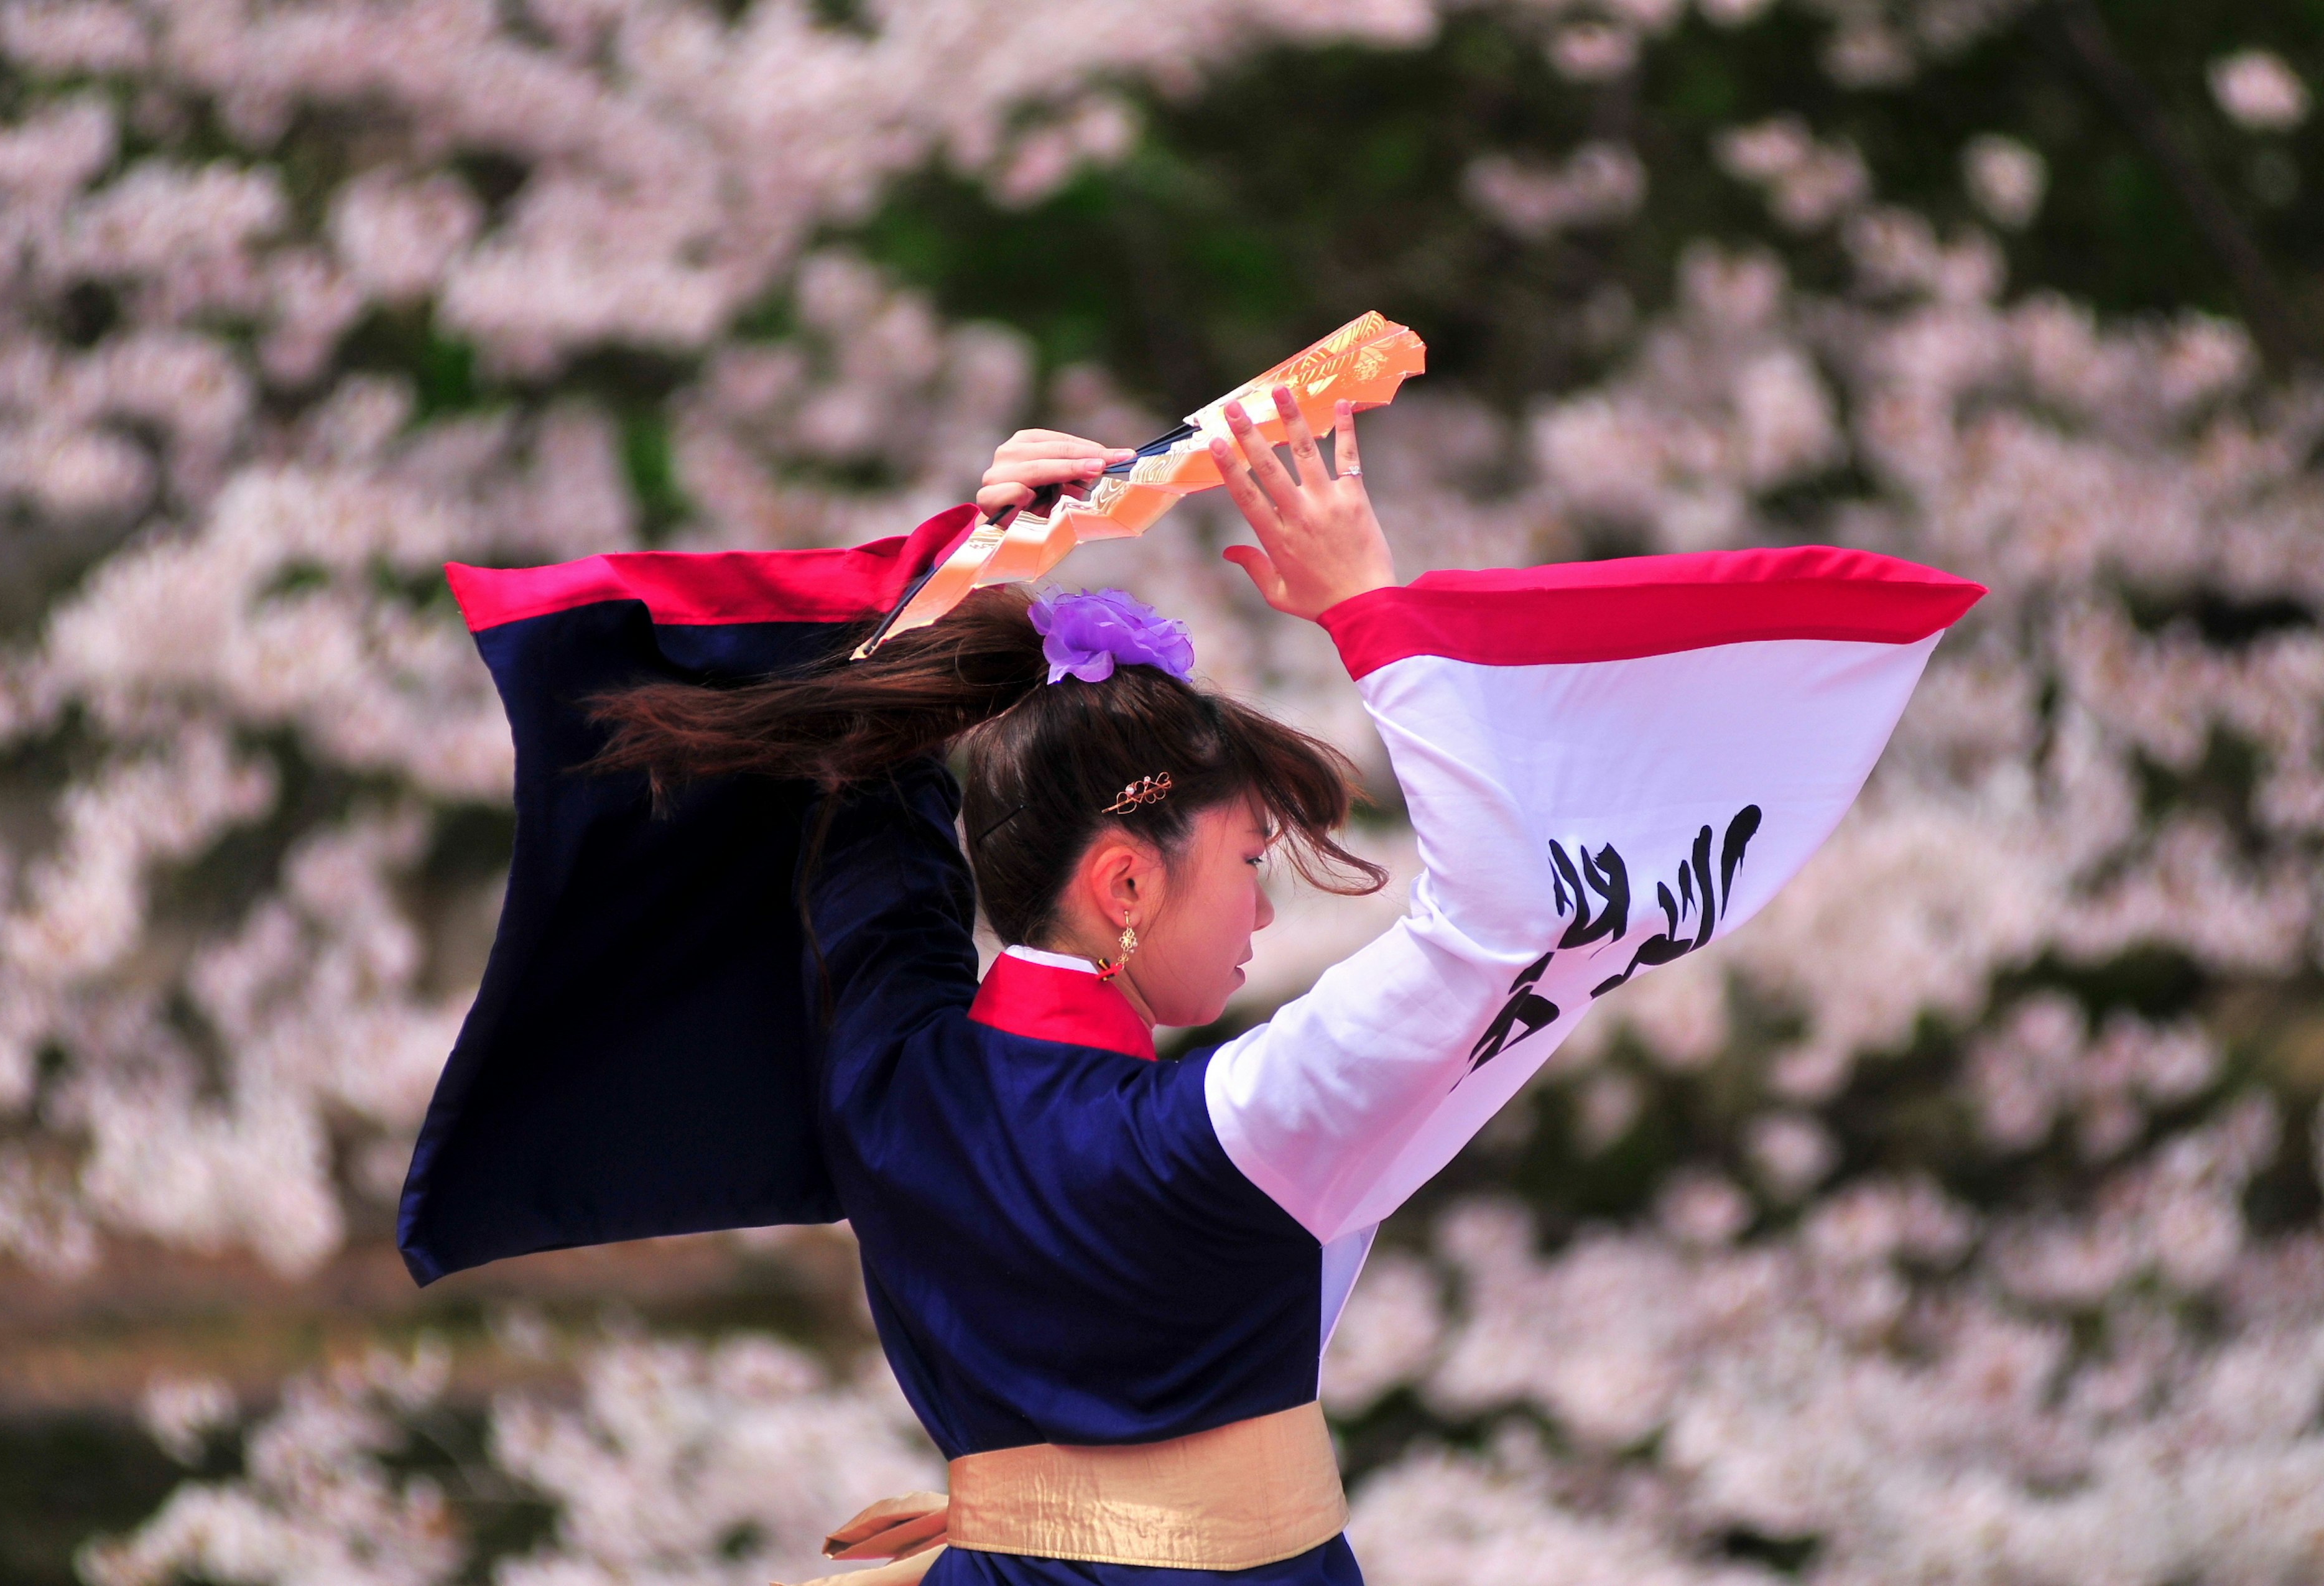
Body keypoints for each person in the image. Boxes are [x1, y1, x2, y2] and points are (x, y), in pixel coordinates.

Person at [400, 386, 1983, 1585]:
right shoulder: (1233, 1128)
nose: (1261, 912)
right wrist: (1372, 607)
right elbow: (1502, 921)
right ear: (1124, 881)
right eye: (1248, 863)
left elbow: (856, 779)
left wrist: (970, 560)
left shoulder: (886, 1067)